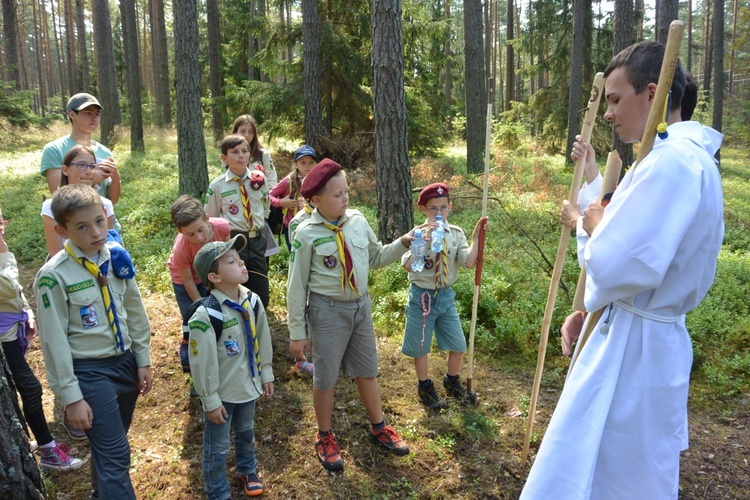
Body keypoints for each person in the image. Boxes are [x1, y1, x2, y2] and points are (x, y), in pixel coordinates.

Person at [521, 41, 724, 499]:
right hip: (632, 333)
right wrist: (591, 309)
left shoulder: (673, 163)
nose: (609, 113)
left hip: (635, 351)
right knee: (594, 466)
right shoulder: (674, 159)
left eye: (615, 99)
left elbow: (620, 263)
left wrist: (590, 226)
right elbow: (631, 249)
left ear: (651, 93)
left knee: (615, 474)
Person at [287, 159, 414, 471]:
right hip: (326, 311)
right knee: (326, 376)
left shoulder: (357, 221)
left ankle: (379, 425)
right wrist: (297, 332)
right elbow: (296, 285)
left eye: (346, 192)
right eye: (337, 194)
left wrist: (402, 243)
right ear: (316, 201)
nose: (345, 198)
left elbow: (375, 257)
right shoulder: (305, 234)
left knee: (367, 370)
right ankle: (325, 435)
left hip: (360, 307)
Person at [34, 184, 153, 498]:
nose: (96, 232)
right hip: (89, 372)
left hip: (124, 364)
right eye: (82, 227)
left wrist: (142, 359)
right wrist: (71, 396)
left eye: (100, 221)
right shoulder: (54, 276)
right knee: (116, 453)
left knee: (109, 445)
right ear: (62, 230)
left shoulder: (116, 258)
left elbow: (134, 312)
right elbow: (53, 341)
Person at [189, 235, 274, 499]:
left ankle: (248, 469)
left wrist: (266, 372)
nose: (242, 264)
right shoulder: (206, 316)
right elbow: (201, 363)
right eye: (231, 262)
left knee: (246, 431)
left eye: (240, 259)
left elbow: (262, 338)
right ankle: (216, 489)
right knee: (218, 445)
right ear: (214, 278)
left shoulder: (253, 301)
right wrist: (210, 399)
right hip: (222, 394)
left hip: (248, 385)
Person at [0, 214, 83, 471]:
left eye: (2, 220)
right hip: (4, 337)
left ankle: (25, 438)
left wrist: (27, 311)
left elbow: (14, 292)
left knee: (17, 390)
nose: (1, 226)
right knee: (30, 388)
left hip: (11, 329)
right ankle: (47, 451)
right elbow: (8, 283)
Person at [401, 183, 488, 410]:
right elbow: (409, 267)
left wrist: (477, 238)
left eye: (443, 207)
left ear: (450, 207)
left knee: (458, 345)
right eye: (432, 209)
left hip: (446, 296)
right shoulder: (418, 233)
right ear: (423, 210)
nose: (438, 213)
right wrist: (422, 244)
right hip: (422, 297)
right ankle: (425, 386)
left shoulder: (456, 234)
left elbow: (468, 262)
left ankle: (452, 380)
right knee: (420, 346)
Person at [205, 134, 271, 308]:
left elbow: (265, 205)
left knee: (261, 284)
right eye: (235, 152)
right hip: (233, 240)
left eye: (244, 151)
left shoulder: (259, 179)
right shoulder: (217, 185)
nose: (241, 155)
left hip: (258, 238)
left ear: (250, 154)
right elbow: (211, 216)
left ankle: (259, 316)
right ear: (224, 158)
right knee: (235, 283)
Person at [40, 93, 120, 202]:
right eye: (88, 113)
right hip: (73, 217)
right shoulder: (54, 149)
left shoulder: (105, 152)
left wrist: (115, 178)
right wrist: (94, 177)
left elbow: (112, 201)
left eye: (97, 114)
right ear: (72, 114)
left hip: (104, 217)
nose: (94, 118)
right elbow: (59, 195)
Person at [42, 145, 116, 257]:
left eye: (93, 166)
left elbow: (109, 245)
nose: (88, 171)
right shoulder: (50, 206)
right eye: (81, 165)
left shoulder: (105, 204)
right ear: (65, 170)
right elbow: (55, 253)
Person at [167, 195, 231, 320]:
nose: (199, 238)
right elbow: (188, 280)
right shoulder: (180, 249)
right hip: (185, 279)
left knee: (221, 311)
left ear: (207, 218)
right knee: (194, 316)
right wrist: (201, 305)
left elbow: (228, 256)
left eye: (201, 230)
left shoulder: (223, 227)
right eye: (190, 234)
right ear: (179, 231)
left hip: (211, 272)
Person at [269, 145, 318, 250]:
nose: (307, 166)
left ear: (316, 164)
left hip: (315, 224)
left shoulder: (319, 181)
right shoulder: (288, 181)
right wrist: (281, 202)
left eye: (311, 162)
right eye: (303, 162)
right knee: (296, 257)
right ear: (296, 165)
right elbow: (268, 196)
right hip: (293, 227)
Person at [231, 114, 278, 188]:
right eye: (242, 131)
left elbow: (272, 181)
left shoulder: (262, 155)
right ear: (235, 132)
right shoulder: (229, 155)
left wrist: (267, 197)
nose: (247, 135)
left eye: (251, 132)